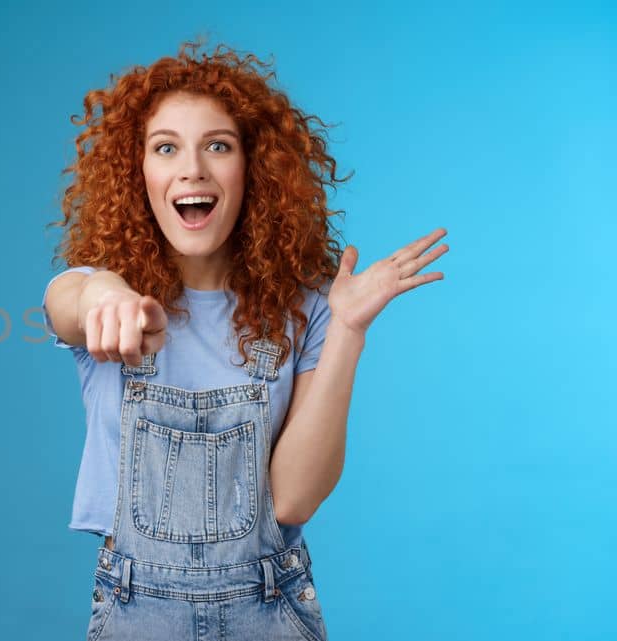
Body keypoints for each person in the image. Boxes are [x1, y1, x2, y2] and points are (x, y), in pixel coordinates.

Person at [41, 41, 448, 641]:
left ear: (252, 168)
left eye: (218, 145)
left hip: (270, 608)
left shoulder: (305, 309)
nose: (192, 169)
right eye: (166, 147)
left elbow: (293, 502)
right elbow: (69, 304)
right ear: (139, 174)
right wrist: (106, 292)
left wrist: (347, 332)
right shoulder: (95, 291)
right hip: (136, 615)